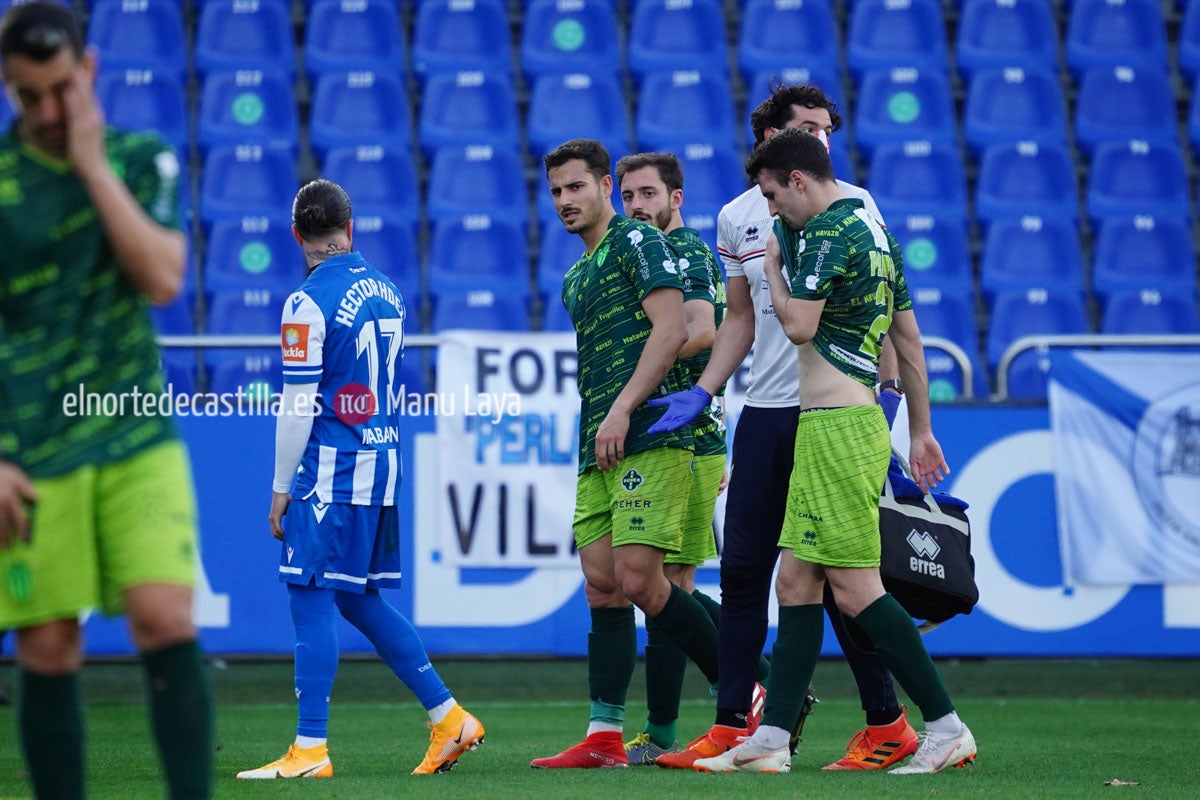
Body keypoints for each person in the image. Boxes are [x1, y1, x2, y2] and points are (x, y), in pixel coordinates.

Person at [688, 127, 976, 773]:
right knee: (795, 581)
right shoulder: (875, 232)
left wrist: (768, 269)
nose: (767, 212)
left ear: (796, 179)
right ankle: (770, 742)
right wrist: (921, 428)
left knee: (854, 589)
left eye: (769, 194)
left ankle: (945, 724)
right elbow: (910, 340)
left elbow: (797, 326)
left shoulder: (825, 235)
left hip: (836, 428)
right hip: (854, 421)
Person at [652, 82, 916, 772]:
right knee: (744, 573)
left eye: (826, 129)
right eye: (807, 127)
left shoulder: (852, 205)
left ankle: (885, 720)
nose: (820, 139)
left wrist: (887, 397)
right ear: (769, 134)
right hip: (767, 413)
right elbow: (740, 318)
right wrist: (707, 389)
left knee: (835, 577)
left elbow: (885, 311)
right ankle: (734, 722)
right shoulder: (740, 216)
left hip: (833, 411)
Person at [0, 3, 213, 798]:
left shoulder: (139, 158)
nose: (50, 113)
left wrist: (91, 164)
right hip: (29, 451)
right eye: (29, 98)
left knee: (166, 620)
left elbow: (162, 279)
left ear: (87, 72)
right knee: (47, 648)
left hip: (135, 438)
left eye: (61, 90)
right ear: (8, 88)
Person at [237, 179, 485, 779]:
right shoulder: (388, 290)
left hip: (331, 471)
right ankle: (449, 718)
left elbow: (299, 404)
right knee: (355, 596)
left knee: (309, 594)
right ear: (353, 228)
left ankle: (310, 749)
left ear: (297, 234)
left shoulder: (305, 301)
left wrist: (280, 486)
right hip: (382, 461)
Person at [530, 139, 722, 769]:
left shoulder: (641, 244)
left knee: (651, 582)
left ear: (602, 186)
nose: (565, 200)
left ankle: (752, 691)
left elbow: (679, 331)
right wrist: (600, 420)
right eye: (556, 191)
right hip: (598, 444)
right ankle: (605, 736)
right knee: (603, 588)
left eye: (576, 187)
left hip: (653, 435)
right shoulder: (574, 275)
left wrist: (621, 410)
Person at [615, 152, 771, 765]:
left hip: (688, 435)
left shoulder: (691, 254)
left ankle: (676, 723)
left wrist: (654, 343)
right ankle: (761, 683)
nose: (636, 207)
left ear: (676, 198)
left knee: (665, 584)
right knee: (666, 584)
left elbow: (707, 328)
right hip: (669, 433)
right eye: (628, 196)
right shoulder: (641, 253)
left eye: (648, 194)